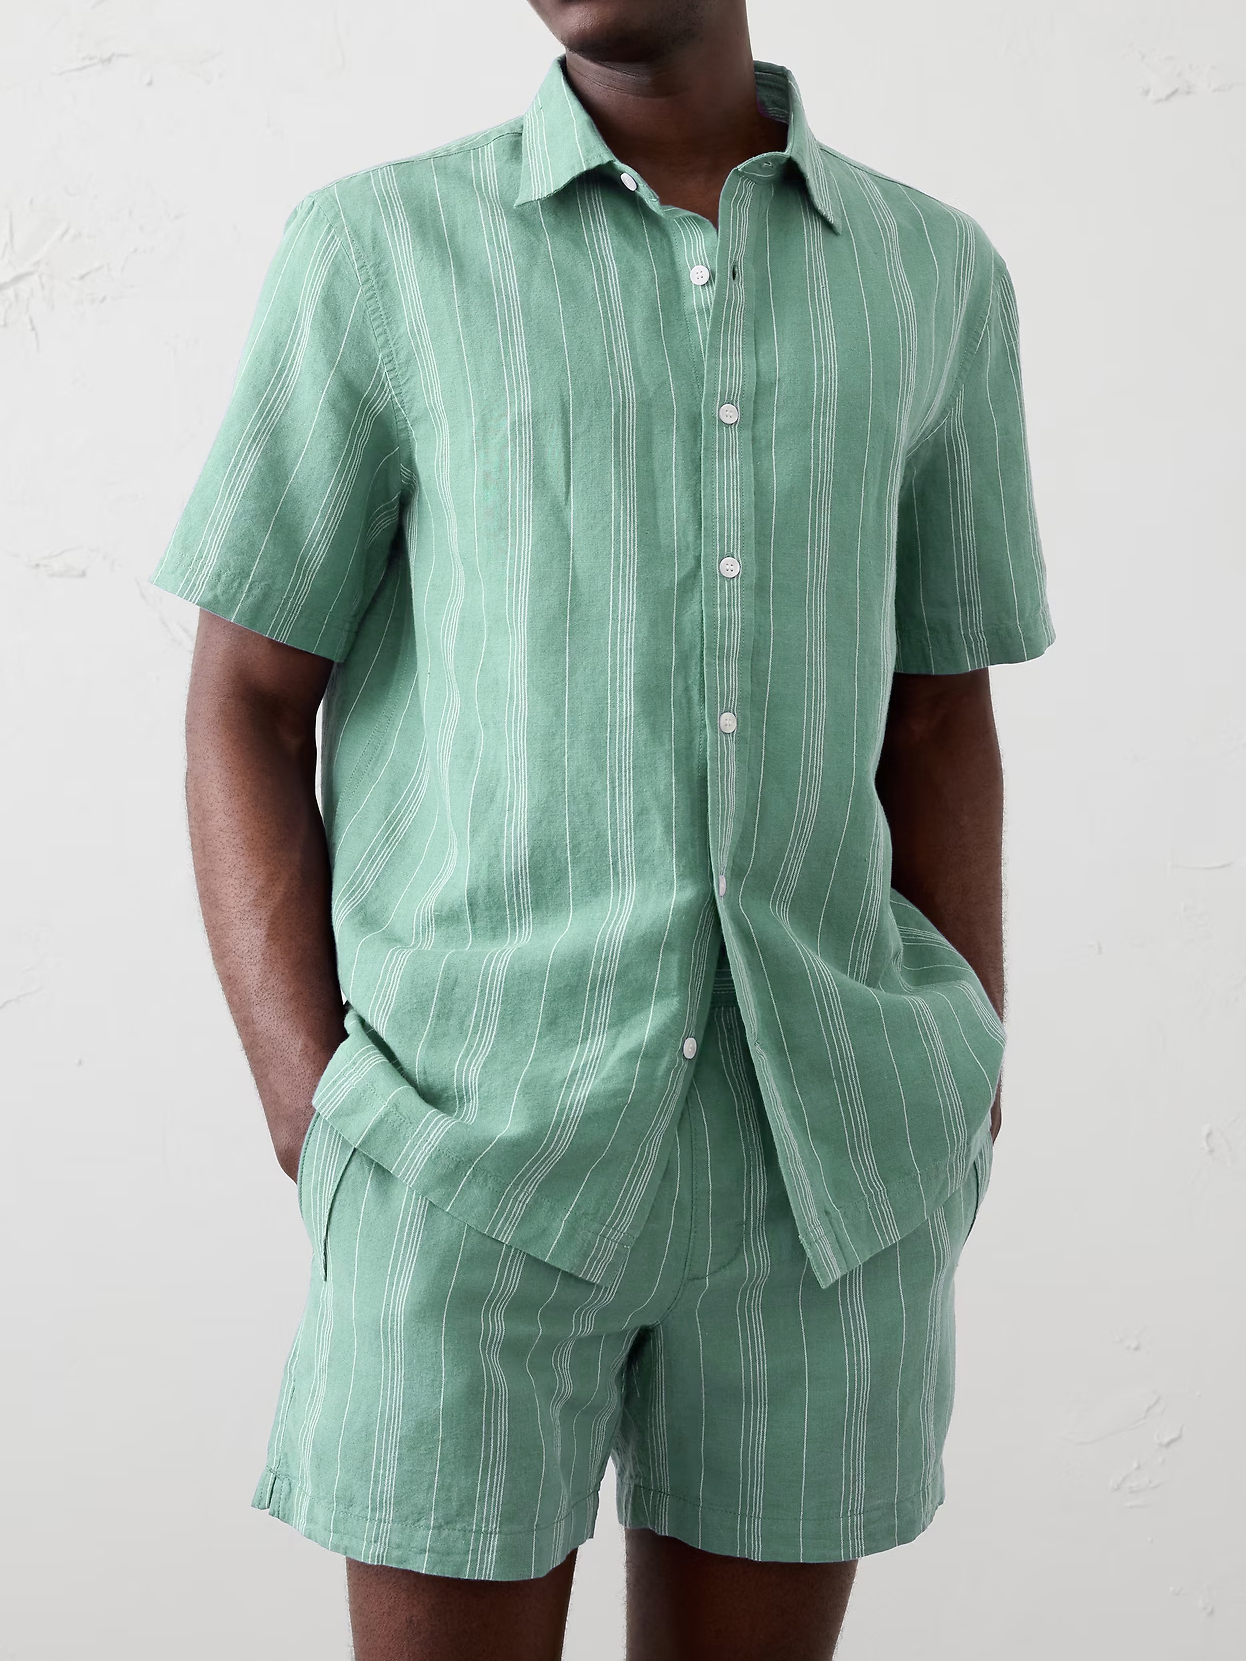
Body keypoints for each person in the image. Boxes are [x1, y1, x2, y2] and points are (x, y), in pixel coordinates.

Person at [149, 0, 1054, 1654]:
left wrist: (963, 1064)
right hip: (465, 1148)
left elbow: (936, 711)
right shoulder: (379, 252)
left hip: (826, 1171)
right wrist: (311, 1102)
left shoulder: (932, 275)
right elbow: (245, 699)